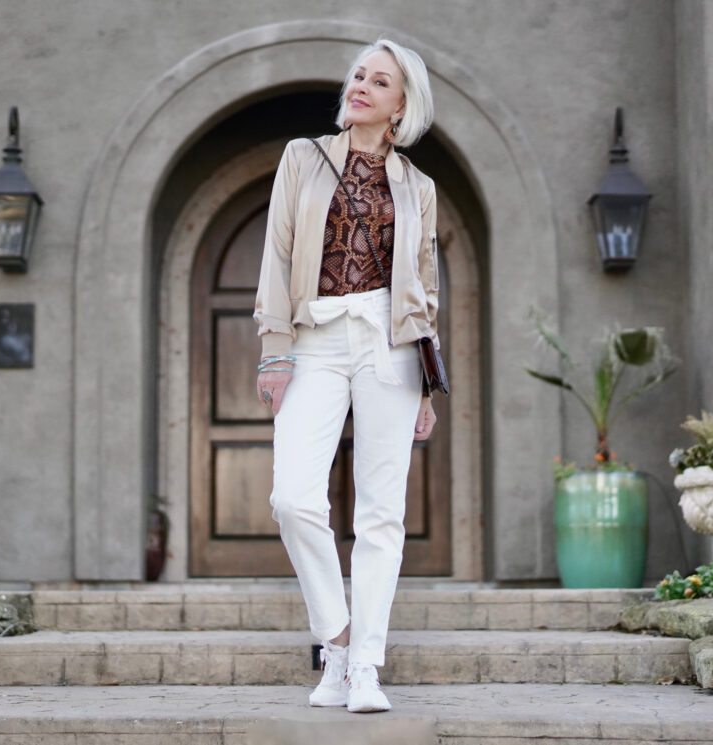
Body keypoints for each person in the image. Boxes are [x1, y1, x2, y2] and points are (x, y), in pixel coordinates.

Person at [253, 38, 441, 713]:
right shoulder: (303, 158)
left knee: (381, 512)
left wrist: (426, 377)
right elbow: (277, 256)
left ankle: (363, 666)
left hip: (390, 344)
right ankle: (337, 633)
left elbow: (425, 288)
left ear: (400, 104)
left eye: (379, 80)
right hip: (315, 338)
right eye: (358, 74)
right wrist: (274, 348)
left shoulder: (419, 187)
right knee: (293, 496)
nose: (360, 84)